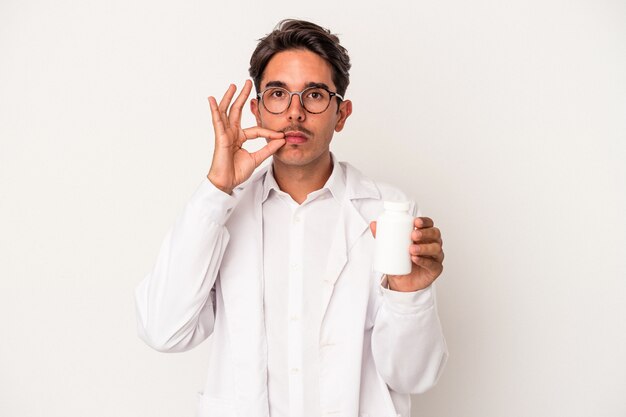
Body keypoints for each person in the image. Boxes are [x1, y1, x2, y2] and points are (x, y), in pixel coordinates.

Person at [135, 19, 448, 417]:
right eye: (278, 94)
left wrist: (410, 295)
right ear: (257, 110)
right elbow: (163, 330)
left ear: (341, 113)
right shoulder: (222, 211)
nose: (295, 113)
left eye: (315, 95)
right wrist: (215, 191)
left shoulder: (388, 212)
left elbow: (412, 377)